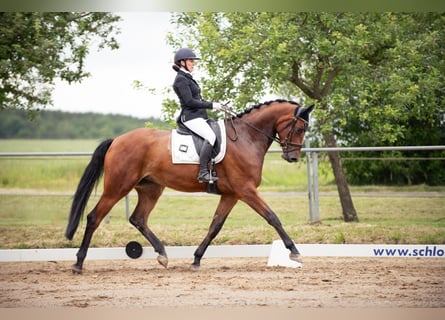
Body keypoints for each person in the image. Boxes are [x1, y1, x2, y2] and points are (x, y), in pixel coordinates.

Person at [172, 47, 224, 183]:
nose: (193, 63)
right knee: (211, 136)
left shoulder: (187, 78)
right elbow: (189, 101)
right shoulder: (180, 80)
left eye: (193, 61)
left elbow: (198, 99)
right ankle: (203, 172)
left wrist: (216, 104)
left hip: (198, 116)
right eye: (190, 61)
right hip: (190, 117)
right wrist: (211, 105)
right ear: (182, 62)